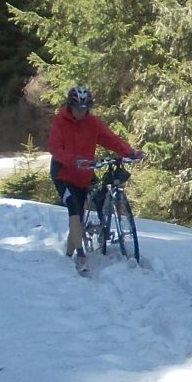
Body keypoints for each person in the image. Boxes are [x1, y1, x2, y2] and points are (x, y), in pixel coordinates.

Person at [47, 85, 141, 274]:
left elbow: (111, 139)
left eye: (85, 108)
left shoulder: (93, 123)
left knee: (80, 215)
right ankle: (81, 256)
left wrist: (129, 152)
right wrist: (73, 160)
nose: (81, 112)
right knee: (73, 207)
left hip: (84, 174)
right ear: (70, 106)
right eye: (77, 108)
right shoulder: (60, 121)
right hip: (63, 174)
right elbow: (55, 148)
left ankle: (69, 252)